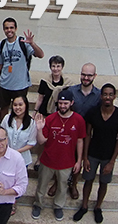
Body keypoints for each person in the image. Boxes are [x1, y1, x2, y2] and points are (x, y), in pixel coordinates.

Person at [74, 84, 118, 223]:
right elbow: (87, 134)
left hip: (108, 156)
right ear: (101, 96)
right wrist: (85, 157)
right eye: (105, 94)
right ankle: (84, 206)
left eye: (110, 94)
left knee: (104, 183)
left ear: (114, 96)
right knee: (88, 180)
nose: (107, 97)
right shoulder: (93, 112)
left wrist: (112, 161)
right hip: (92, 153)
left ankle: (98, 207)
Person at [32, 90, 86, 221]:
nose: (62, 106)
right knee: (41, 186)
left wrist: (79, 161)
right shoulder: (50, 119)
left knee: (62, 187)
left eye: (65, 103)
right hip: (48, 160)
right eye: (60, 103)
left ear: (71, 103)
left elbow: (80, 140)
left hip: (67, 162)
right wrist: (39, 129)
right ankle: (38, 204)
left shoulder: (78, 120)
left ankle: (58, 206)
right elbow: (41, 141)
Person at [64, 63, 101, 199]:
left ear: (94, 76)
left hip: (86, 135)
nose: (86, 78)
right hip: (69, 132)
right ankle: (58, 182)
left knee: (79, 160)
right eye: (83, 74)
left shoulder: (98, 95)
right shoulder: (71, 91)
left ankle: (73, 184)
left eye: (89, 75)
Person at [0, 17, 44, 120]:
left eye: (11, 28)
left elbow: (40, 55)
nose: (9, 30)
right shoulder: (2, 45)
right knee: (4, 108)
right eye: (6, 28)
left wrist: (32, 43)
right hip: (5, 84)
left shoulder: (23, 43)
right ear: (4, 30)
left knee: (20, 109)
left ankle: (20, 127)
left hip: (20, 84)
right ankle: (4, 127)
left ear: (16, 29)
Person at [0, 96, 37, 216]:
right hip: (5, 156)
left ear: (26, 106)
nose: (18, 108)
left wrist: (16, 152)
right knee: (6, 179)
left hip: (22, 158)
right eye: (15, 105)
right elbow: (2, 135)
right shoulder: (7, 119)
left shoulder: (31, 123)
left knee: (17, 182)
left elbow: (31, 143)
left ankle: (13, 202)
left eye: (20, 105)